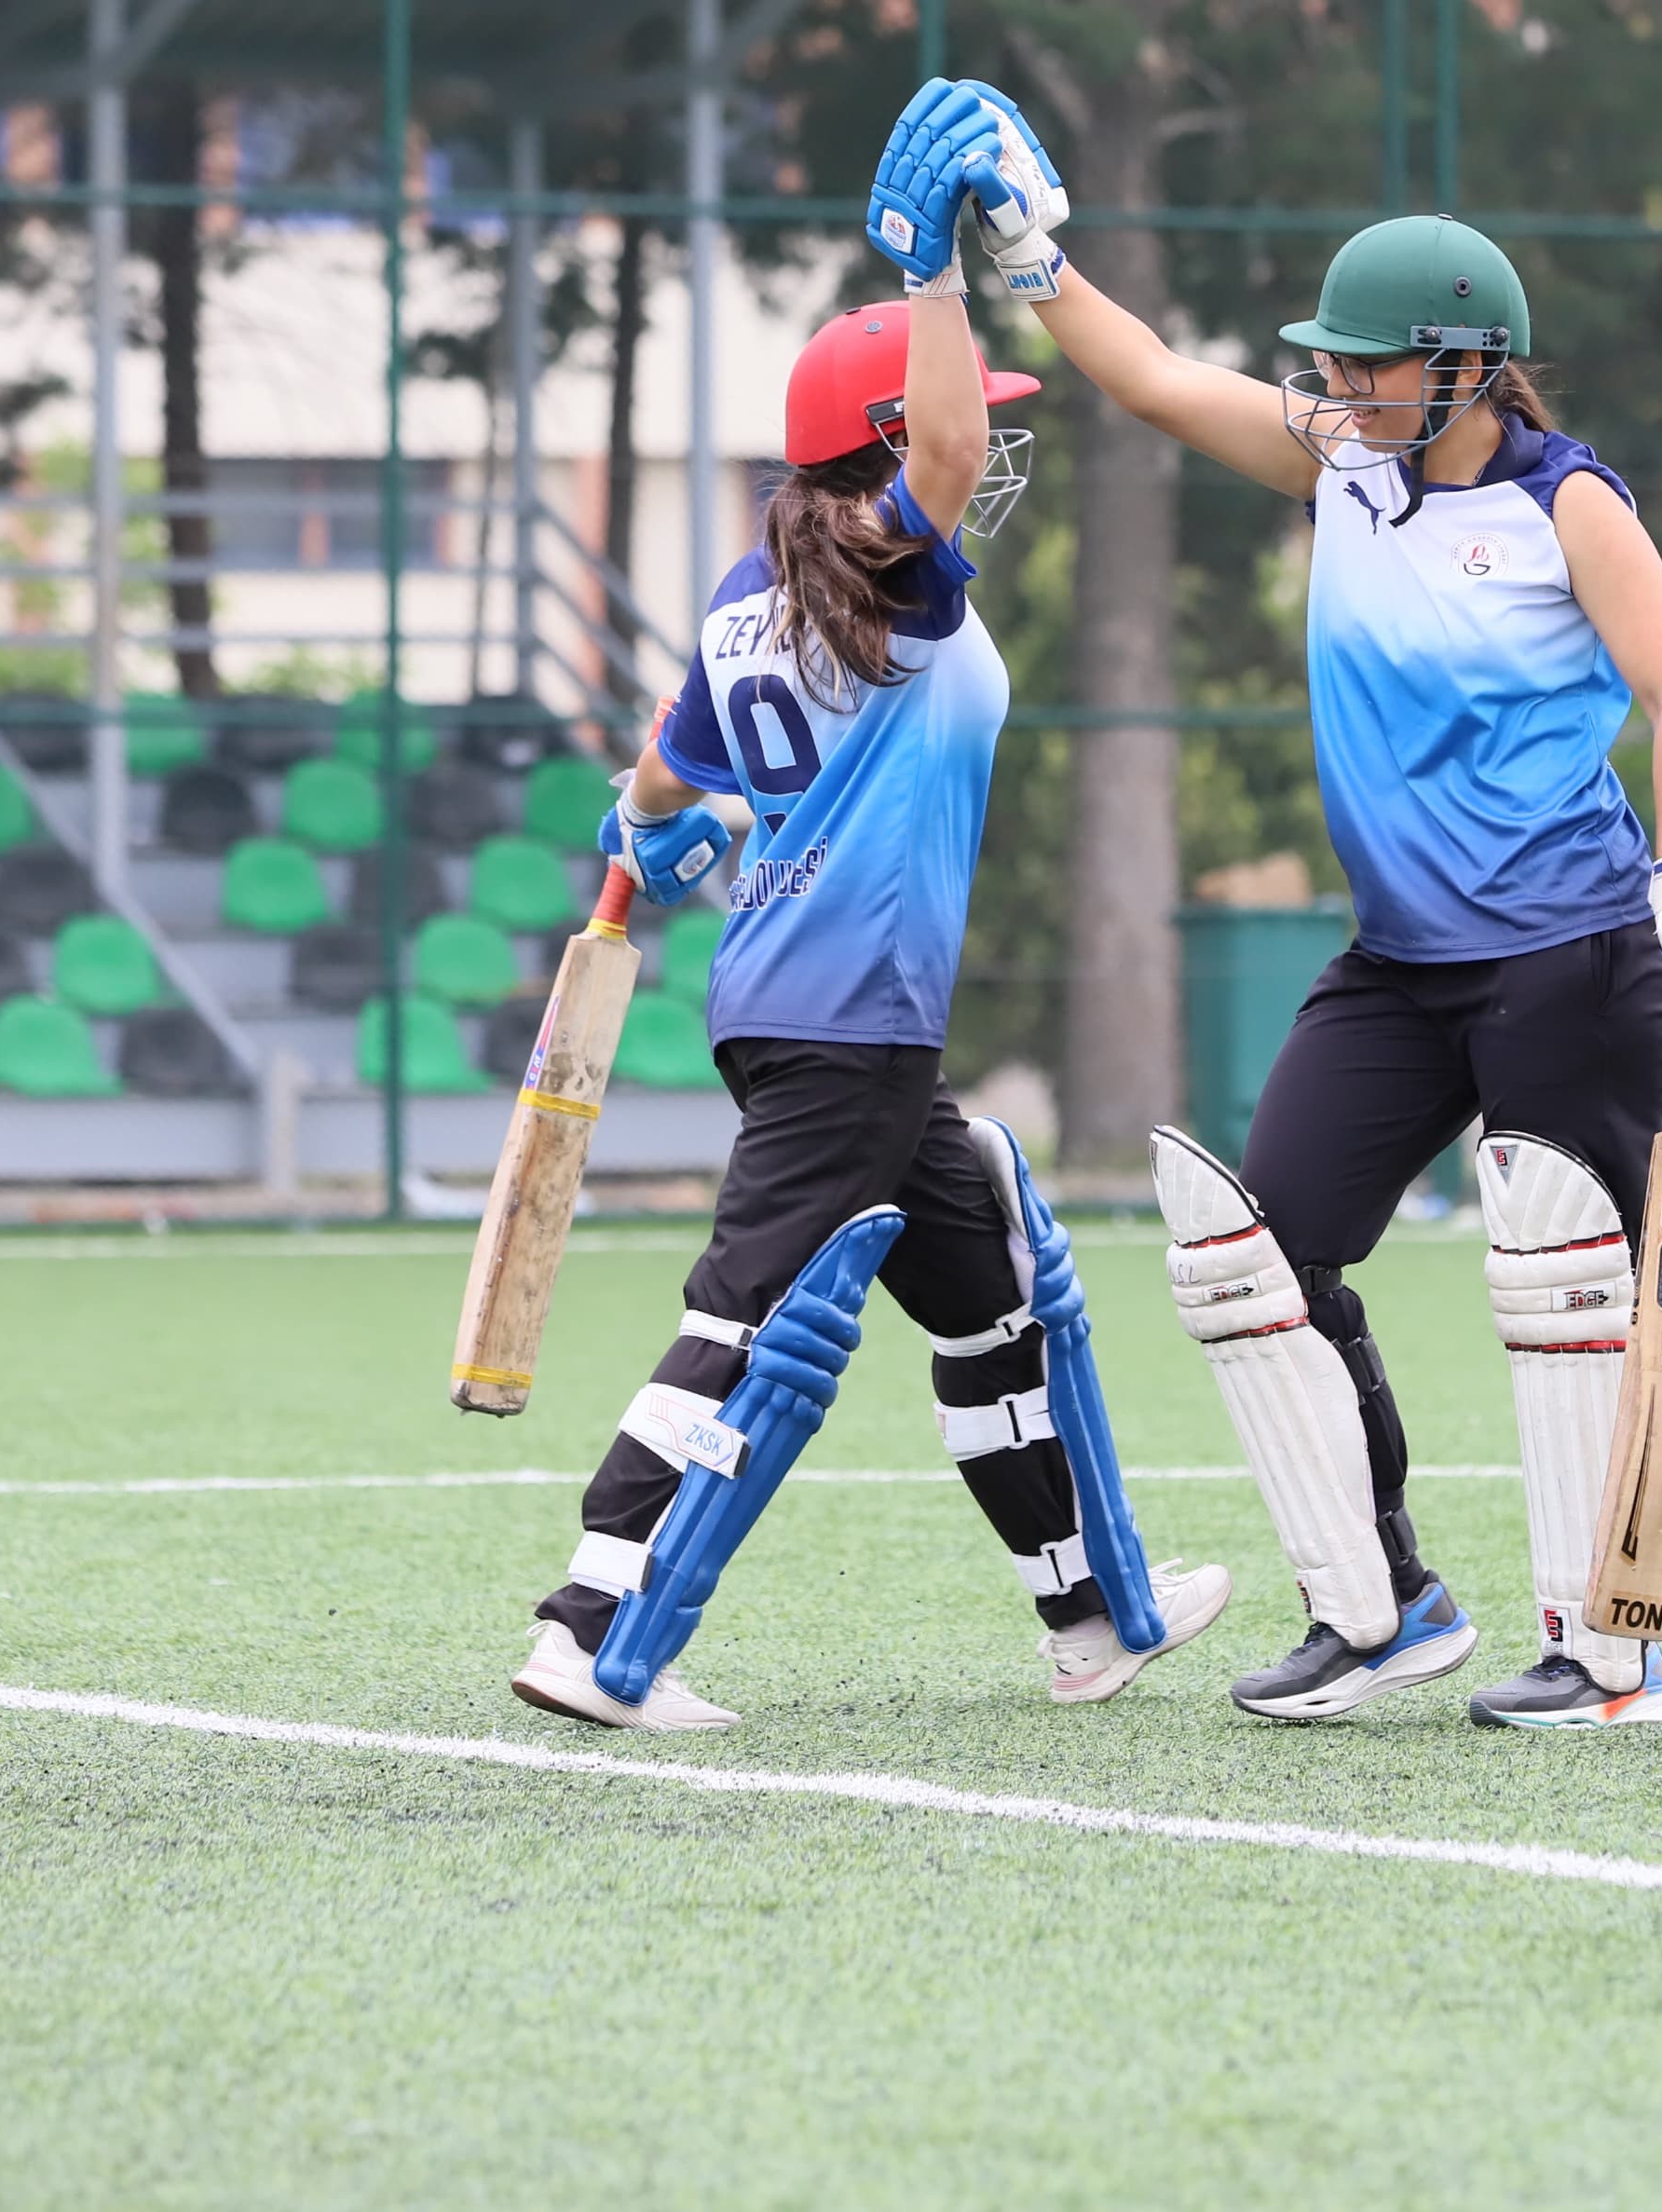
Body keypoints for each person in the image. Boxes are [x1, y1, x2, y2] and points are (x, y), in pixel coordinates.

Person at [879, 79, 1662, 1732]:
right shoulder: (1341, 464)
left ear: (1461, 364)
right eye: (1331, 363)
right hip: (1402, 962)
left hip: (1574, 956)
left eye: (1366, 363)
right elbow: (1154, 379)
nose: (1335, 386)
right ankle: (1382, 1608)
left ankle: (1611, 1647)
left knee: (1568, 1283)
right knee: (1268, 1249)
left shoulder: (1570, 502)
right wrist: (1025, 256)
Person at [509, 274, 1229, 1733]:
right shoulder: (887, 560)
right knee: (746, 1316)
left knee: (987, 1302)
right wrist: (941, 282)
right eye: (956, 425)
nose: (989, 450)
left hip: (806, 1008)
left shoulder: (751, 587)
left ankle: (1085, 1618)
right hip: (843, 1021)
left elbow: (666, 759)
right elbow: (950, 463)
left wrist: (656, 826)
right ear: (889, 442)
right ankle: (587, 1623)